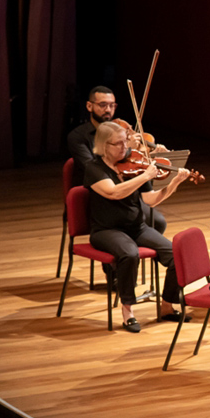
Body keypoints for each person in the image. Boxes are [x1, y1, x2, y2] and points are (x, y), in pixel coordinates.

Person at [83, 122, 191, 332]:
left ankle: (167, 306)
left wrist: (174, 184)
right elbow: (114, 192)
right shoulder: (94, 168)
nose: (126, 147)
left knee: (176, 254)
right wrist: (145, 176)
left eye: (126, 141)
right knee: (129, 254)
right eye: (119, 143)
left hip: (136, 227)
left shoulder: (134, 164)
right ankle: (128, 311)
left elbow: (150, 200)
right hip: (106, 230)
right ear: (104, 145)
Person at [68, 85, 168, 234]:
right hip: (97, 198)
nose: (108, 110)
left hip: (127, 194)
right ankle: (123, 251)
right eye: (102, 105)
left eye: (111, 105)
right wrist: (128, 150)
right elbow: (91, 166)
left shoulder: (120, 132)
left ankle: (134, 247)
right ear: (89, 106)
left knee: (158, 222)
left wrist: (149, 155)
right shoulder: (77, 137)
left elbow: (134, 164)